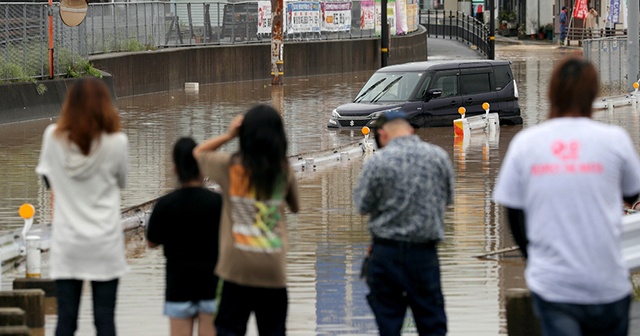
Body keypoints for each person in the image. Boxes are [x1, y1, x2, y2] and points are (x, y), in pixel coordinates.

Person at [493, 57, 640, 336]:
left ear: (551, 92)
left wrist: (532, 258)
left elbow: (513, 212)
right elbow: (634, 192)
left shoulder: (526, 143)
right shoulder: (614, 139)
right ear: (593, 93)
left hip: (554, 286)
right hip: (608, 284)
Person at [193, 104, 300, 336]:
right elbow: (295, 207)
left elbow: (198, 153)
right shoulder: (284, 171)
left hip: (235, 270)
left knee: (229, 330)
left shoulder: (229, 165)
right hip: (273, 271)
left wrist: (229, 134)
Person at [35, 77, 128, 336]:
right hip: (105, 243)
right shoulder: (117, 142)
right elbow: (121, 181)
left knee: (66, 320)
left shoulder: (52, 138)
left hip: (69, 245)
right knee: (105, 320)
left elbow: (46, 179)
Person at [353, 111, 454, 336]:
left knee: (389, 326)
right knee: (432, 325)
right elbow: (448, 200)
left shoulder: (377, 162)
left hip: (385, 254)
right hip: (424, 256)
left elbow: (361, 205)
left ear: (382, 134)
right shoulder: (439, 157)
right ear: (410, 130)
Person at [146, 137, 222, 336]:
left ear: (175, 169)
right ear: (201, 168)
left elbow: (151, 242)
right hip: (211, 286)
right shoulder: (217, 203)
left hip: (178, 287)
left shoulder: (165, 205)